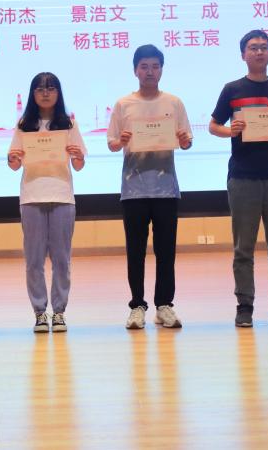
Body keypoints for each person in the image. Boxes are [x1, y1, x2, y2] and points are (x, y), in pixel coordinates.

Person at [209, 30, 268, 328]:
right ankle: (244, 305)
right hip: (243, 177)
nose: (259, 52)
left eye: (264, 47)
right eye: (253, 48)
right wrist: (230, 131)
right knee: (243, 248)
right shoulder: (232, 89)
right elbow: (213, 125)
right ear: (243, 54)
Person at [107, 44, 193, 330]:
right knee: (135, 251)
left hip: (166, 188)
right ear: (135, 70)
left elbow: (186, 140)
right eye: (144, 66)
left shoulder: (174, 102)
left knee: (166, 251)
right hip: (133, 189)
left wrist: (184, 140)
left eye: (155, 66)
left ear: (162, 70)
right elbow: (112, 143)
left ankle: (164, 305)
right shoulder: (123, 104)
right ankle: (137, 305)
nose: (149, 71)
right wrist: (121, 141)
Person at [7, 72, 86, 332]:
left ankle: (59, 311)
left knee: (62, 260)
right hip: (31, 197)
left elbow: (79, 165)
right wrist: (13, 159)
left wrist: (77, 156)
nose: (45, 93)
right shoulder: (24, 124)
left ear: (58, 93)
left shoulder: (68, 123)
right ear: (33, 93)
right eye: (40, 89)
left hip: (62, 196)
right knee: (34, 260)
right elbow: (14, 164)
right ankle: (40, 312)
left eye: (51, 88)